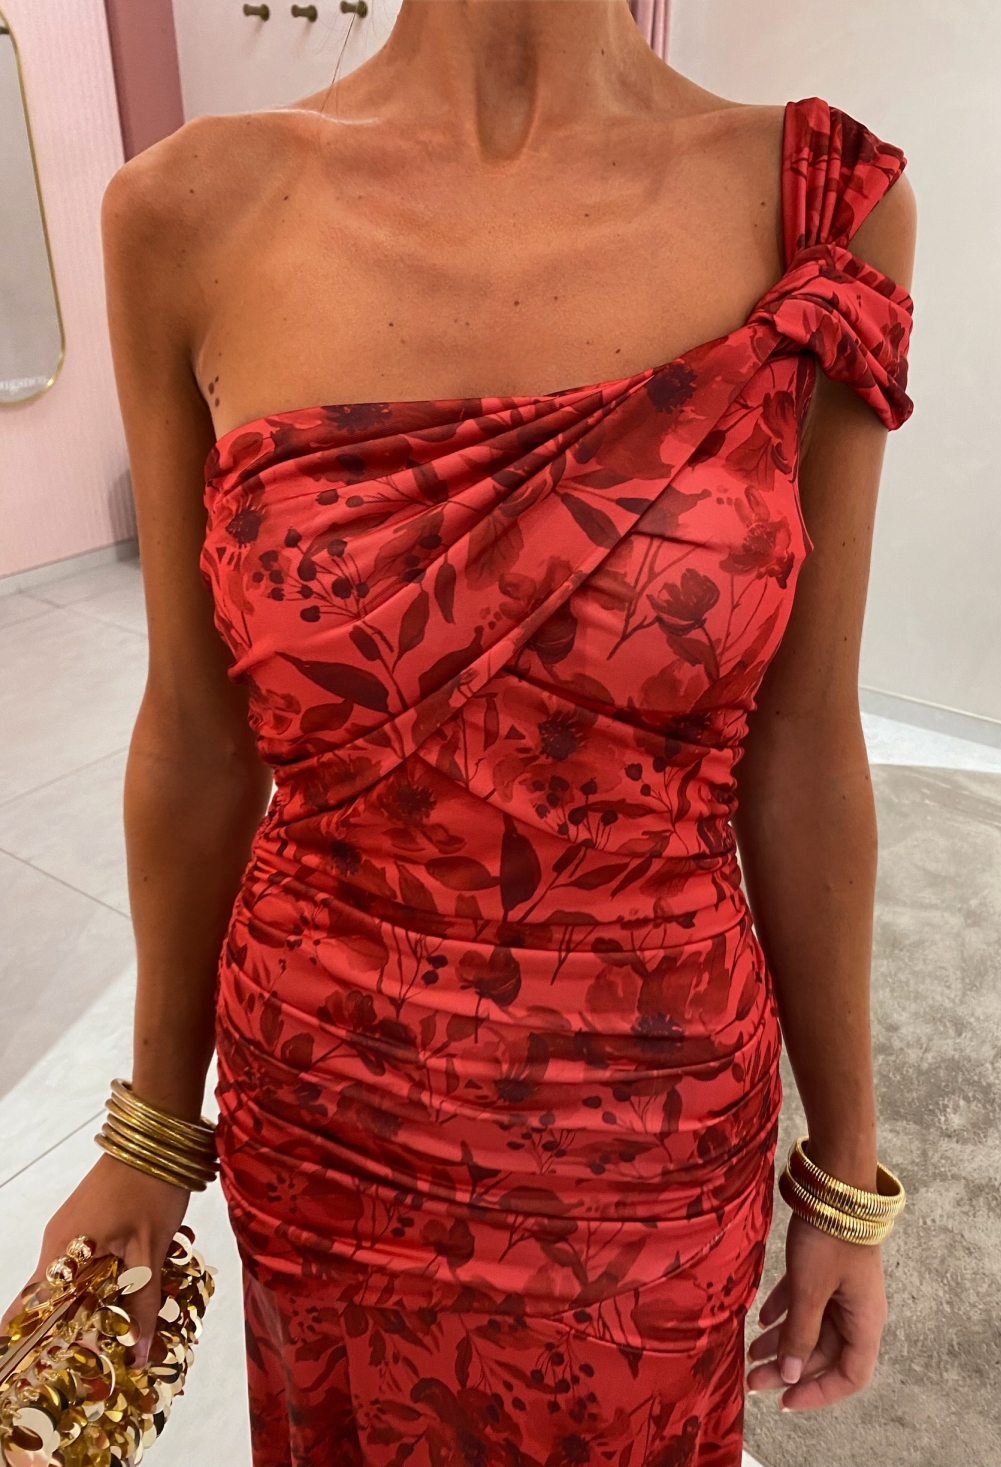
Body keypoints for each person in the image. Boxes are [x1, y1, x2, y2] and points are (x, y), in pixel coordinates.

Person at [5, 2, 916, 1463]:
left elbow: (806, 747)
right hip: (327, 1108)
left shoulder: (818, 214)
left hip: (651, 1134)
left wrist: (847, 1176)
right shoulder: (184, 211)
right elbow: (196, 733)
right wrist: (155, 1127)